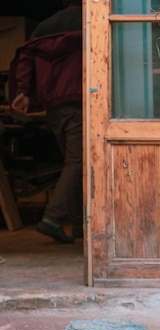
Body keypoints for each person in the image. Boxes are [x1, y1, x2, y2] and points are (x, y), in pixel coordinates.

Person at [10, 0, 83, 244]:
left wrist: (23, 92)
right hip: (78, 102)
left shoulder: (43, 28)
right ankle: (52, 218)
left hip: (54, 108)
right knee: (78, 162)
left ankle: (80, 225)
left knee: (73, 165)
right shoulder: (89, 24)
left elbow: (25, 58)